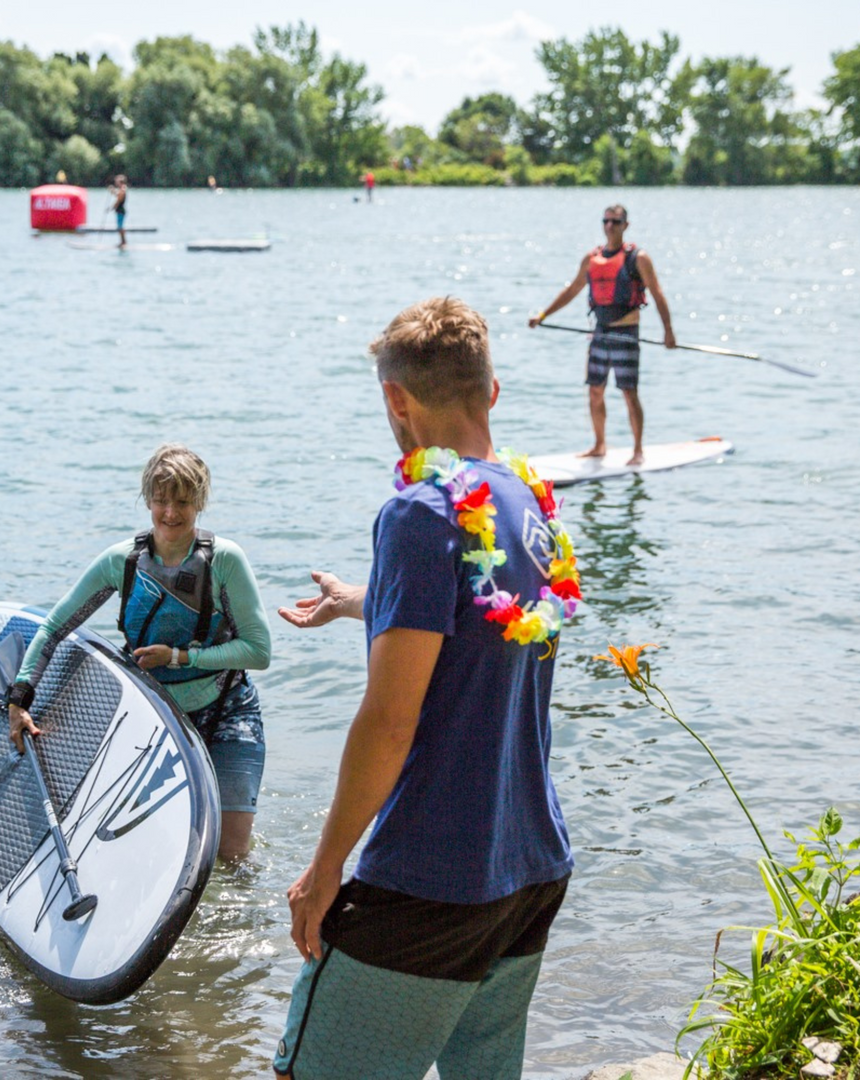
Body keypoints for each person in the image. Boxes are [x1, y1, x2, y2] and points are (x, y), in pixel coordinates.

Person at [273, 297, 577, 1079]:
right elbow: (479, 628)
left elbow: (389, 722)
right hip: (529, 871)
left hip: (430, 879)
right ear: (493, 393)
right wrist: (361, 602)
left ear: (395, 400)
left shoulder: (418, 511)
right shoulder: (530, 501)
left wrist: (327, 865)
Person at [7, 443, 271, 862]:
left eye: (183, 502)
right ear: (148, 499)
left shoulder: (224, 561)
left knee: (229, 855)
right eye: (161, 501)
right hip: (155, 718)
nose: (170, 513)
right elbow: (55, 628)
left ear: (200, 502)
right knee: (150, 850)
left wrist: (180, 658)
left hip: (227, 713)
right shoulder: (123, 562)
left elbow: (258, 651)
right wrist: (20, 698)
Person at [528, 204, 676, 466]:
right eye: (606, 221)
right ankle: (599, 445)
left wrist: (668, 331)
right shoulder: (591, 258)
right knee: (595, 391)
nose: (610, 226)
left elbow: (657, 292)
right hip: (599, 333)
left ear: (625, 226)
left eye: (615, 222)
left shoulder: (638, 258)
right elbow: (572, 290)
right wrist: (543, 316)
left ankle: (638, 450)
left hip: (626, 333)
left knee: (629, 392)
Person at [110, 174, 128, 248]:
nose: (116, 183)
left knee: (120, 228)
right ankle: (123, 242)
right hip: (119, 210)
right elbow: (117, 195)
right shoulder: (122, 189)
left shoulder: (123, 189)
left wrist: (112, 208)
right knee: (119, 227)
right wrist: (113, 191)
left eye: (117, 182)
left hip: (120, 211)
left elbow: (118, 200)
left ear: (121, 182)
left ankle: (123, 242)